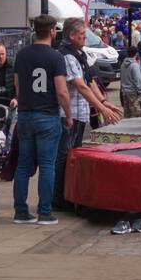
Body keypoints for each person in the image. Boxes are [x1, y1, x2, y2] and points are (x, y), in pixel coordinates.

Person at [12, 15, 73, 226]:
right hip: (47, 115)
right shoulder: (55, 57)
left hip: (26, 115)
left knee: (23, 165)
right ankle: (44, 212)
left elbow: (18, 86)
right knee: (47, 165)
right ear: (53, 32)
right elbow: (62, 91)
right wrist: (69, 115)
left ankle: (20, 211)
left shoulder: (21, 56)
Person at [53, 18, 119, 211]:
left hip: (79, 114)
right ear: (71, 35)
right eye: (82, 35)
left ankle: (68, 195)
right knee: (63, 157)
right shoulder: (67, 56)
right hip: (68, 114)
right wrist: (102, 108)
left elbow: (90, 81)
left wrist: (104, 102)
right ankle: (58, 199)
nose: (85, 38)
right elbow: (80, 86)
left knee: (72, 156)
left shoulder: (79, 53)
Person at [120, 45, 141, 118]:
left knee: (127, 114)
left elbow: (122, 78)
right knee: (135, 114)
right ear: (136, 54)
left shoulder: (123, 64)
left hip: (125, 92)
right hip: (133, 93)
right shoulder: (134, 65)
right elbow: (138, 80)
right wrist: (140, 91)